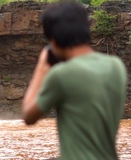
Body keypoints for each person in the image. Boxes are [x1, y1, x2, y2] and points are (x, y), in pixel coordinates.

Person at [21, 1, 127, 160]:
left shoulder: (61, 75)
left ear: (54, 40)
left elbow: (28, 115)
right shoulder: (116, 67)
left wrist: (42, 68)